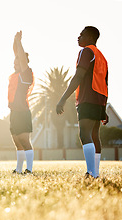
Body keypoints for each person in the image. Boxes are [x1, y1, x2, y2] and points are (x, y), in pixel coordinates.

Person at [56, 26, 108, 178]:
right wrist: (104, 108)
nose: (78, 37)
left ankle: (91, 172)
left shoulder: (86, 52)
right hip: (99, 100)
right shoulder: (102, 57)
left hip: (88, 98)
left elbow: (78, 77)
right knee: (94, 134)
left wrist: (62, 99)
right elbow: (105, 83)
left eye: (81, 34)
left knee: (85, 134)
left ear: (90, 37)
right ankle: (95, 172)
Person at [8, 31, 35, 174]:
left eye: (17, 62)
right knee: (16, 141)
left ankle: (29, 169)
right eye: (14, 62)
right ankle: (18, 170)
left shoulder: (26, 73)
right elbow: (17, 54)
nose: (14, 64)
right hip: (14, 112)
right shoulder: (16, 74)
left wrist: (19, 42)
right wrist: (14, 40)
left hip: (23, 112)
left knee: (24, 140)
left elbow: (21, 58)